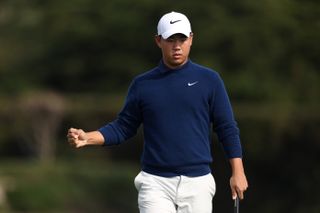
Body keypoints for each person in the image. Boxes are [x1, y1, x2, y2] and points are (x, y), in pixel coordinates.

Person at [67, 11, 248, 213]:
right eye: (170, 39)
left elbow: (227, 128)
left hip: (198, 183)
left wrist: (237, 172)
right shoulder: (143, 85)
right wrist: (87, 138)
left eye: (182, 38)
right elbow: (123, 127)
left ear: (191, 39)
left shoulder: (209, 80)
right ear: (158, 41)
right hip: (155, 183)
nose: (177, 46)